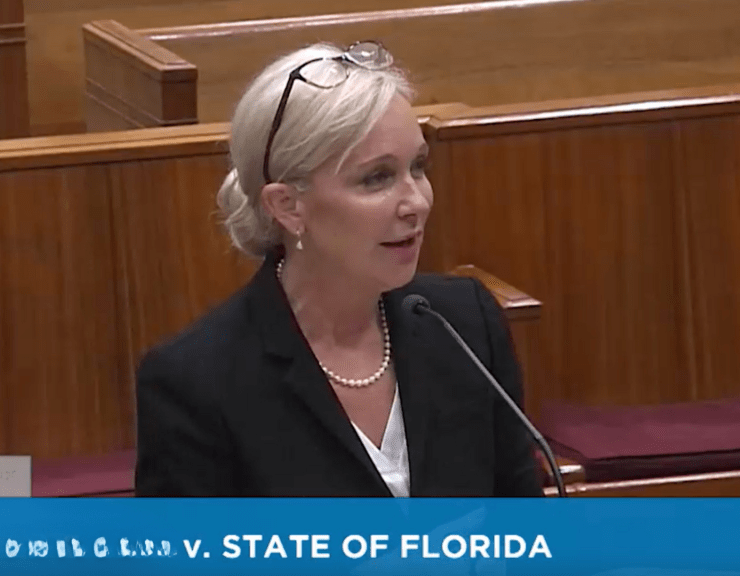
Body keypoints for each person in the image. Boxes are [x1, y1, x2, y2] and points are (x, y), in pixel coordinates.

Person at [133, 41, 542, 497]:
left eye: (418, 167)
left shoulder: (464, 323)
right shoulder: (197, 382)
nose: (417, 202)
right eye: (377, 178)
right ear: (287, 206)